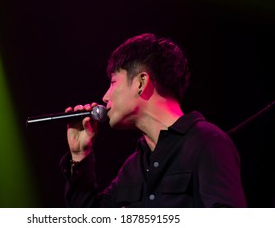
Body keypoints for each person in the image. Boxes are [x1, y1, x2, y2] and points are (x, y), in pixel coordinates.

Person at [59, 33, 247, 207]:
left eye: (113, 82)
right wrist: (80, 156)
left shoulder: (207, 143)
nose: (105, 96)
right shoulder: (134, 166)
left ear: (141, 82)